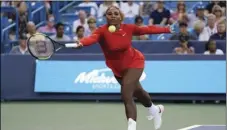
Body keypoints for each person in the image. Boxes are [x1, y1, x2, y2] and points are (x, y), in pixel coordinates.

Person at [71, 6, 174, 130]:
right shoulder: (101, 31)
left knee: (126, 93)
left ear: (120, 16)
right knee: (139, 92)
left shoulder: (128, 28)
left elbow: (147, 29)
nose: (113, 15)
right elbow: (91, 38)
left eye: (116, 13)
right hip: (118, 69)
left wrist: (166, 29)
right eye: (109, 14)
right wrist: (82, 42)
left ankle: (131, 127)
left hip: (135, 62)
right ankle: (155, 110)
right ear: (106, 17)